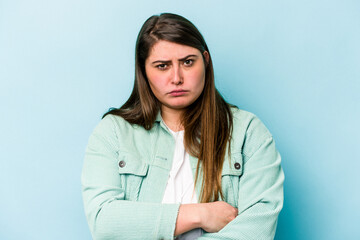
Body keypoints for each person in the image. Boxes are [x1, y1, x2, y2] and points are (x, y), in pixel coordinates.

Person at [81, 13, 284, 240]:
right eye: (162, 66)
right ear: (144, 71)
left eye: (188, 62)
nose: (176, 78)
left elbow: (257, 229)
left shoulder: (248, 132)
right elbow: (104, 222)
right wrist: (199, 214)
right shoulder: (113, 132)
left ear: (205, 60)